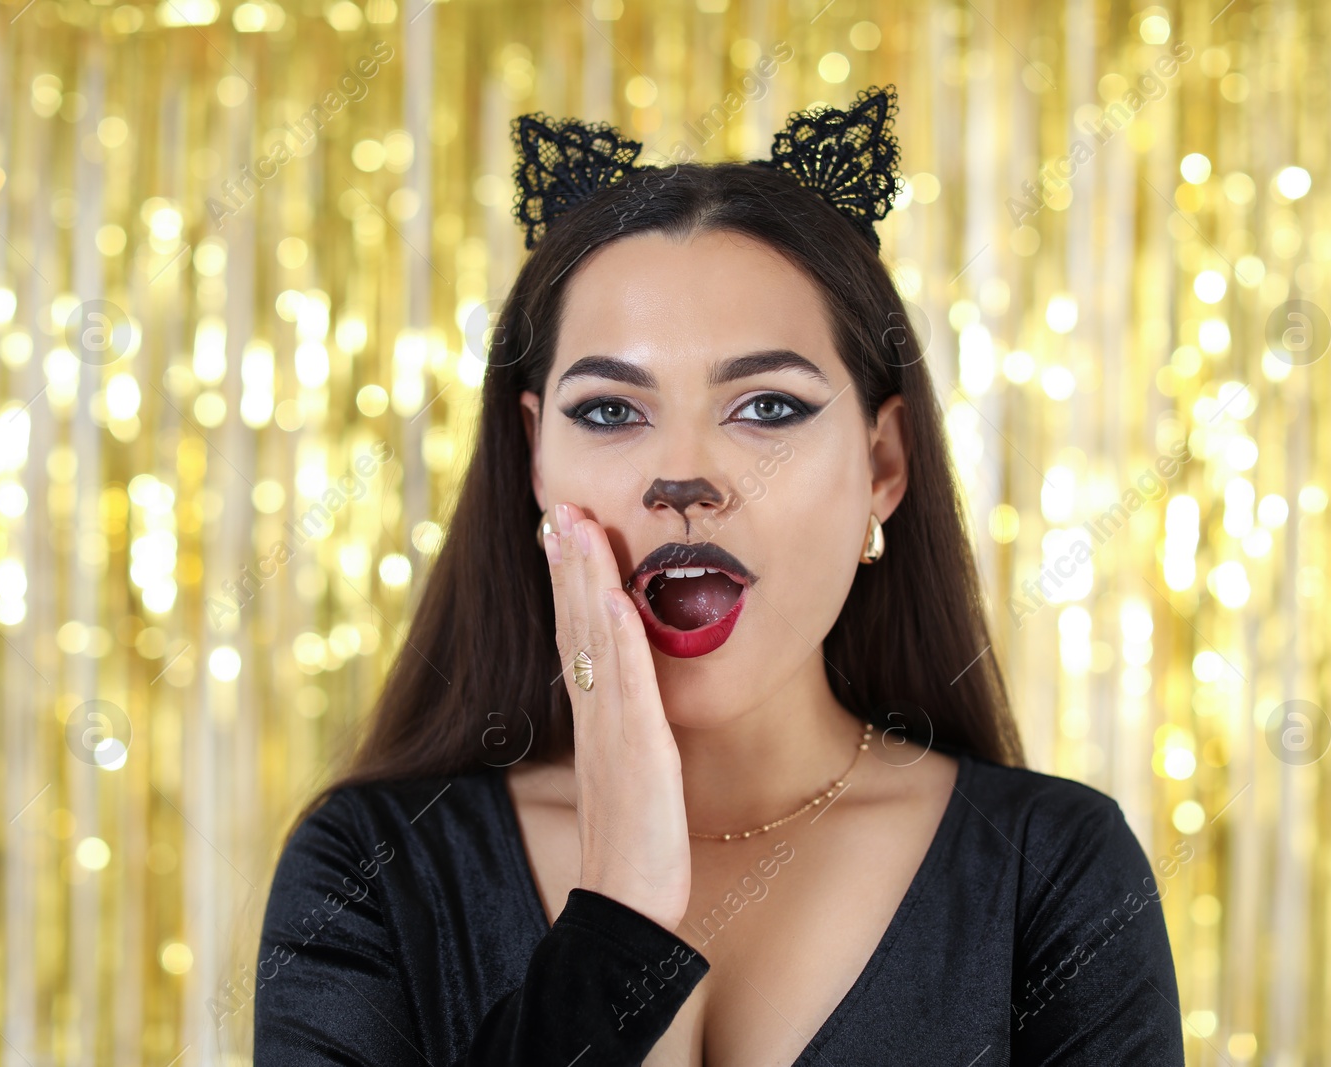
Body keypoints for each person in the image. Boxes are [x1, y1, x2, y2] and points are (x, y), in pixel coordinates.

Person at [253, 86, 1184, 1066]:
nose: (681, 477)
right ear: (535, 458)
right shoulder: (373, 866)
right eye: (611, 410)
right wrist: (618, 915)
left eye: (768, 407)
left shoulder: (1051, 869)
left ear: (881, 464)